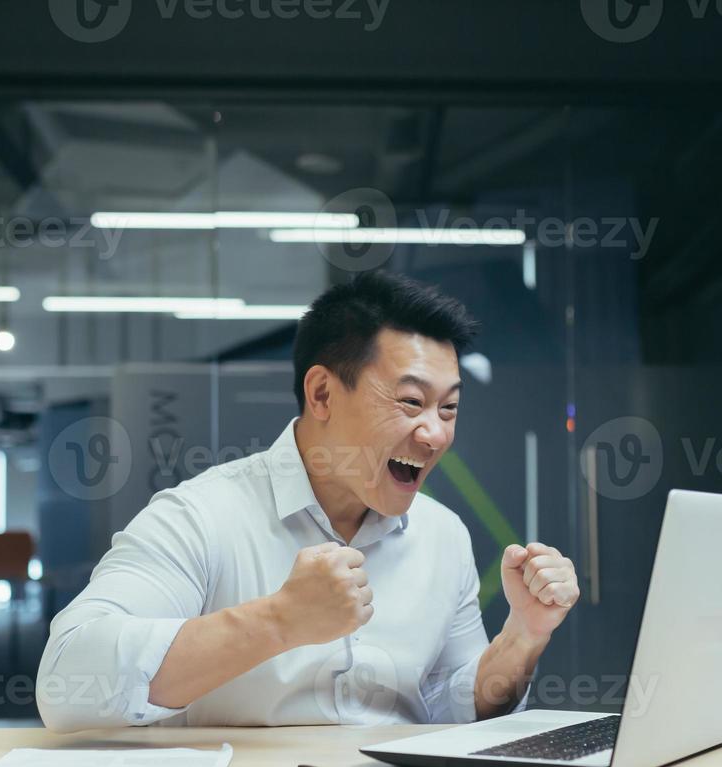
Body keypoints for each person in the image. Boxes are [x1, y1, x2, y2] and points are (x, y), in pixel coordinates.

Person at [36, 271, 579, 732]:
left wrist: (523, 636)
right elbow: (65, 682)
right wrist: (280, 620)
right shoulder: (200, 516)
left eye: (450, 408)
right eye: (412, 402)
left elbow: (453, 708)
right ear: (321, 393)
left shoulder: (443, 534)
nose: (434, 434)